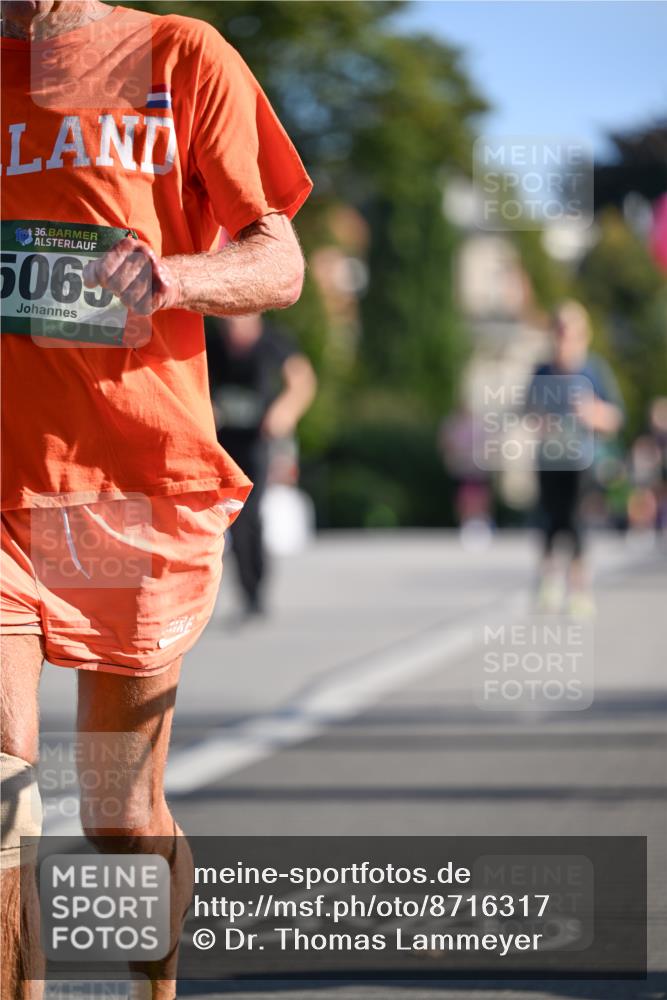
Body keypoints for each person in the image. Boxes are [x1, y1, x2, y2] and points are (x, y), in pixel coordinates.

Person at [0, 1, 312, 997]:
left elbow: (281, 257)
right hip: (4, 487)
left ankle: (156, 982)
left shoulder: (181, 56)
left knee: (117, 816)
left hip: (137, 490)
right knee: (2, 799)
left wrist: (171, 275)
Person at [205, 313, 317, 618]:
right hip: (221, 442)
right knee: (221, 518)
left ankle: (254, 590)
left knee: (249, 515)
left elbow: (303, 381)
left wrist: (285, 411)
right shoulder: (212, 344)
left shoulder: (273, 342)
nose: (232, 328)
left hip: (257, 442)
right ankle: (217, 595)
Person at [527, 301, 624, 617]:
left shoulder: (594, 370)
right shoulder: (541, 371)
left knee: (577, 523)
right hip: (548, 459)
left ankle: (579, 588)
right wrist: (541, 419)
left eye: (571, 331)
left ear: (584, 334)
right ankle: (549, 584)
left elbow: (615, 416)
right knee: (548, 522)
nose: (564, 337)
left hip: (581, 460)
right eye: (559, 330)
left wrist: (592, 412)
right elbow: (527, 410)